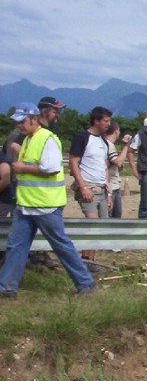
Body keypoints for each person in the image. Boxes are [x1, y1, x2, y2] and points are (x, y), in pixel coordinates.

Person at [0, 103, 95, 298]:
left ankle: (85, 283)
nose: (19, 125)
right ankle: (7, 289)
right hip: (26, 205)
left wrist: (23, 168)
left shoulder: (48, 139)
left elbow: (50, 168)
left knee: (60, 245)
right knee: (16, 246)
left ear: (34, 119)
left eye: (22, 121)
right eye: (17, 122)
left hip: (45, 206)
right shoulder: (29, 139)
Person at [68, 106, 114, 269]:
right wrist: (82, 186)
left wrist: (108, 194)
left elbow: (104, 167)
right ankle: (84, 260)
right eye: (106, 121)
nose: (108, 124)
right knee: (92, 224)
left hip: (102, 189)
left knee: (100, 227)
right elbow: (73, 161)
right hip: (88, 187)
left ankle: (91, 260)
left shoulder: (103, 142)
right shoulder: (82, 137)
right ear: (96, 121)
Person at [105, 121, 130, 218]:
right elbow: (118, 162)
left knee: (116, 216)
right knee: (113, 216)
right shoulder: (109, 145)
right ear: (116, 131)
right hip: (111, 186)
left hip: (114, 185)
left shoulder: (110, 145)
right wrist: (126, 146)